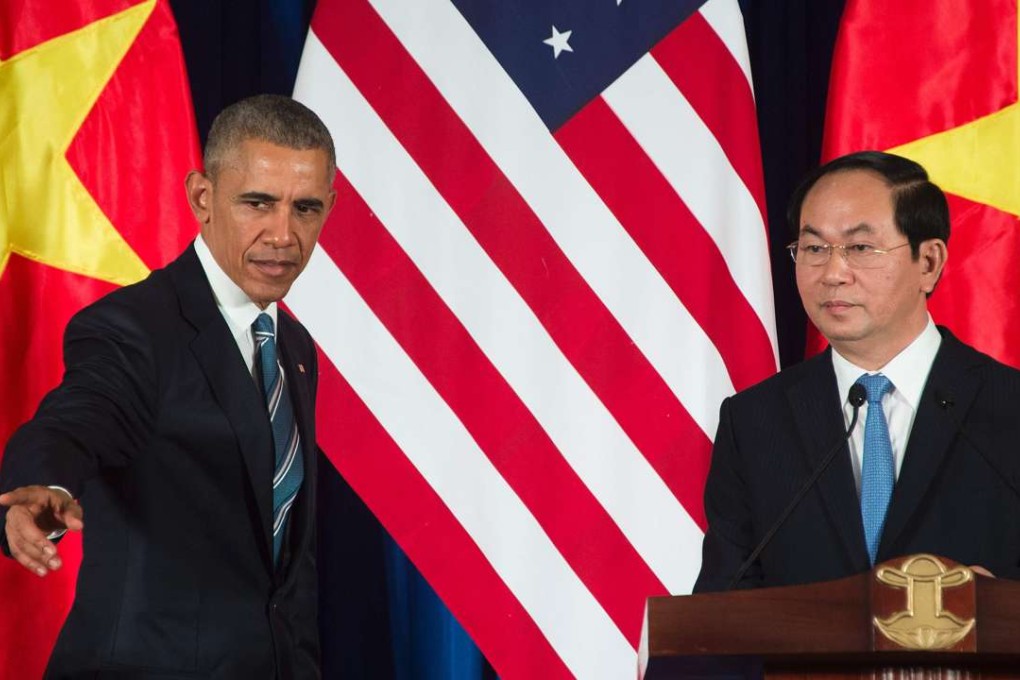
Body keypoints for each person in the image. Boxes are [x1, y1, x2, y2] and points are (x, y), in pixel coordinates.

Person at [0, 94, 336, 678]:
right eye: (257, 202)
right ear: (202, 198)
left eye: (304, 208)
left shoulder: (293, 349)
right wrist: (41, 482)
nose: (283, 234)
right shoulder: (134, 328)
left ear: (329, 208)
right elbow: (78, 415)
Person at [694, 151, 1020, 593]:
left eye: (860, 248)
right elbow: (721, 612)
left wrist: (999, 608)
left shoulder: (1009, 407)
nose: (832, 273)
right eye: (813, 248)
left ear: (928, 262)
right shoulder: (754, 422)